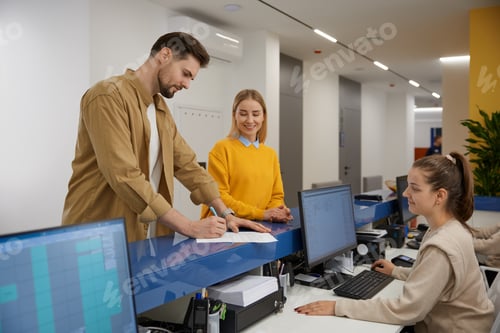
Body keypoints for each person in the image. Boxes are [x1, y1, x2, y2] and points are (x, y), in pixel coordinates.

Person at [62, 32, 270, 242]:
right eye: (185, 73)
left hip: (137, 236)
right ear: (165, 55)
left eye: (191, 78)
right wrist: (189, 226)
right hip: (94, 236)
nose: (187, 84)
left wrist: (226, 213)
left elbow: (187, 165)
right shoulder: (107, 97)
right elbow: (124, 175)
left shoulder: (160, 109)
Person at [295, 152, 494, 333]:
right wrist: (396, 271)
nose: (406, 193)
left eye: (414, 188)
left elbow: (407, 310)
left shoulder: (441, 246)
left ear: (439, 196)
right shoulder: (450, 227)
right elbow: (433, 278)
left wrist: (338, 307)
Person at [200, 89, 293, 223]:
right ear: (235, 116)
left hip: (260, 225)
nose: (250, 120)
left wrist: (277, 212)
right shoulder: (222, 149)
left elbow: (277, 196)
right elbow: (219, 196)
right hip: (227, 226)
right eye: (243, 114)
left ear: (263, 117)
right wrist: (261, 214)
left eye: (256, 114)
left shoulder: (270, 154)